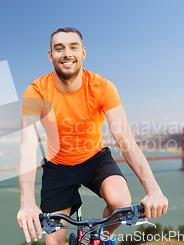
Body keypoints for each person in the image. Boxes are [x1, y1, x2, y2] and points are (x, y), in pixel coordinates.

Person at [17, 26, 168, 245]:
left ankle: (104, 236)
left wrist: (153, 190)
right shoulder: (36, 91)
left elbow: (124, 138)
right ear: (51, 56)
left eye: (73, 47)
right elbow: (28, 145)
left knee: (121, 203)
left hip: (95, 159)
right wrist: (27, 202)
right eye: (59, 49)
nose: (67, 53)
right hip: (57, 166)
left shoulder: (102, 87)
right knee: (54, 243)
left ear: (83, 53)